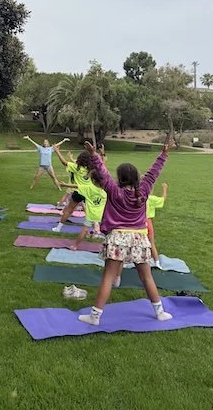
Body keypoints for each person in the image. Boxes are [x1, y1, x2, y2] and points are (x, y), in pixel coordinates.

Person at [78, 139, 173, 326]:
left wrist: (94, 155)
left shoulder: (114, 191)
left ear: (119, 179)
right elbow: (154, 173)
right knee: (146, 277)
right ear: (137, 177)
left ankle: (95, 317)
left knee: (108, 277)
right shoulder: (144, 190)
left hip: (117, 238)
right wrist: (164, 154)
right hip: (139, 238)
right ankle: (160, 312)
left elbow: (103, 174)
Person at [59, 168, 107, 248]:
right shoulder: (105, 190)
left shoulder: (89, 188)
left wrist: (65, 185)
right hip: (101, 215)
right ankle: (105, 243)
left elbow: (76, 186)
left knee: (84, 230)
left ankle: (75, 246)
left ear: (93, 180)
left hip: (91, 215)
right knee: (106, 231)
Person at [51, 148, 92, 232]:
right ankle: (94, 229)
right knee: (90, 212)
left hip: (78, 191)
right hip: (88, 192)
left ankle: (58, 228)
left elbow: (64, 162)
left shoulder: (76, 168)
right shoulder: (91, 169)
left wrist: (58, 151)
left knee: (69, 210)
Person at [147, 182, 168, 268]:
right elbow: (163, 199)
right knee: (151, 243)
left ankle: (125, 261)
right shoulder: (151, 199)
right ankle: (157, 262)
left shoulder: (136, 197)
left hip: (137, 222)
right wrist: (164, 189)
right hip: (148, 222)